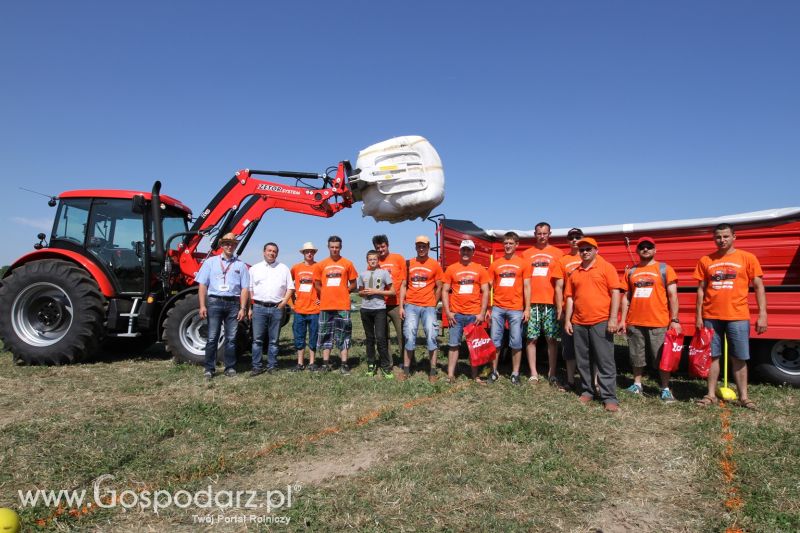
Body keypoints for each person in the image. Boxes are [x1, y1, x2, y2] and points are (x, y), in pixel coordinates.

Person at [693, 223, 767, 409]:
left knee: (739, 357)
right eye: (718, 237)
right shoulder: (706, 260)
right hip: (711, 316)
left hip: (738, 316)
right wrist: (699, 316)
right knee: (712, 357)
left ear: (734, 237)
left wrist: (762, 314)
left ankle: (744, 397)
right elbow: (701, 290)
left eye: (726, 236)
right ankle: (710, 394)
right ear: (714, 238)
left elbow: (758, 287)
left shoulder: (747, 258)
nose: (722, 240)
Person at [619, 236, 681, 402]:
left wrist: (674, 319)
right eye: (642, 247)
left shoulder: (664, 269)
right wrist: (622, 320)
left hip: (659, 322)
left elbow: (673, 296)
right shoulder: (631, 271)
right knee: (636, 356)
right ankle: (637, 384)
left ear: (655, 250)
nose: (645, 249)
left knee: (661, 358)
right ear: (637, 250)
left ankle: (665, 388)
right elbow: (626, 297)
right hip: (635, 322)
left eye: (649, 247)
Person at [564, 237, 623, 412]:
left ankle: (609, 397)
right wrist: (568, 320)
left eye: (588, 249)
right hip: (579, 322)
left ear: (596, 250)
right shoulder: (575, 272)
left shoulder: (606, 267)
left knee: (605, 360)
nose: (585, 252)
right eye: (582, 249)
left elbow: (615, 293)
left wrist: (613, 319)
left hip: (601, 321)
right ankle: (588, 391)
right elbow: (570, 299)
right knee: (583, 360)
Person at [196, 232, 250, 380]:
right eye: (226, 243)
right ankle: (209, 368)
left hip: (233, 303)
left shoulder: (241, 265)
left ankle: (230, 367)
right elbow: (202, 285)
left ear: (235, 246)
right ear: (221, 245)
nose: (229, 246)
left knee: (231, 338)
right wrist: (202, 305)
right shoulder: (210, 262)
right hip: (214, 302)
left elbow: (245, 288)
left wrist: (243, 308)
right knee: (212, 337)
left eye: (232, 244)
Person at [442, 239, 490, 383]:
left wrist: (482, 313)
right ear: (459, 251)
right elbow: (445, 291)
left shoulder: (480, 269)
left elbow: (486, 291)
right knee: (453, 345)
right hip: (456, 315)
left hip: (474, 315)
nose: (466, 252)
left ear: (473, 252)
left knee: (475, 346)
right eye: (463, 249)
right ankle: (450, 375)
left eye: (469, 250)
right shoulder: (451, 269)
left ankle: (475, 375)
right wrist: (448, 312)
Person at [522, 222, 564, 386]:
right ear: (535, 234)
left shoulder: (558, 254)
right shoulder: (526, 254)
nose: (542, 236)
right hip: (531, 304)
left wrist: (560, 305)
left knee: (551, 339)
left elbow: (561, 281)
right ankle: (533, 373)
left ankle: (552, 372)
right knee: (531, 339)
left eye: (544, 233)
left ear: (549, 234)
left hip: (551, 303)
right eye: (539, 233)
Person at [487, 232, 531, 385]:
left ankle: (515, 373)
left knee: (516, 341)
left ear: (516, 245)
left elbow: (527, 287)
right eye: (505, 243)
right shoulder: (496, 264)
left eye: (511, 243)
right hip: (498, 308)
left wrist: (527, 309)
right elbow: (488, 286)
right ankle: (493, 372)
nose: (507, 246)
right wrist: (488, 307)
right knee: (495, 341)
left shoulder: (523, 263)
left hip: (516, 309)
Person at [399, 235, 444, 382]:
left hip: (428, 307)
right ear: (415, 247)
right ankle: (406, 370)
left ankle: (432, 371)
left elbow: (439, 286)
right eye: (419, 246)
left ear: (428, 247)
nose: (421, 248)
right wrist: (401, 306)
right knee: (410, 336)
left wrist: (433, 302)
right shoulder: (409, 263)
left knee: (431, 336)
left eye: (424, 246)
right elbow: (404, 286)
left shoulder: (434, 264)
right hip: (411, 305)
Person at [313, 236, 358, 374]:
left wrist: (345, 291)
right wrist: (325, 292)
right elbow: (316, 284)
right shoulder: (320, 265)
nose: (334, 249)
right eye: (332, 247)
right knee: (325, 334)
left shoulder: (347, 263)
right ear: (328, 247)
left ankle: (344, 364)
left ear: (341, 247)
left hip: (342, 305)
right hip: (326, 306)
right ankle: (325, 364)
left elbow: (354, 283)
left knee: (343, 333)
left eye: (337, 247)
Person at [248, 242, 294, 376]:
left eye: (274, 251)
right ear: (264, 252)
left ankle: (272, 365)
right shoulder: (255, 269)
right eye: (269, 251)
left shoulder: (283, 268)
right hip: (259, 307)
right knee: (257, 340)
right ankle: (256, 366)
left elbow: (290, 288)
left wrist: (284, 302)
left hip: (276, 308)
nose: (271, 253)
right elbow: (249, 288)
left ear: (277, 254)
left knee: (274, 340)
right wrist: (252, 305)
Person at [357, 250, 395, 378]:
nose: (372, 261)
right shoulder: (362, 274)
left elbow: (392, 291)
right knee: (369, 339)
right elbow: (360, 292)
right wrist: (364, 293)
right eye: (370, 259)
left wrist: (376, 291)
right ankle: (371, 364)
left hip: (379, 309)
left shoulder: (384, 273)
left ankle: (385, 366)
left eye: (374, 259)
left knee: (381, 338)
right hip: (366, 309)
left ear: (378, 260)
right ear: (367, 261)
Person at [556, 227, 584, 390]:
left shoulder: (592, 258)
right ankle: (570, 381)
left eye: (577, 237)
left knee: (589, 348)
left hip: (587, 311)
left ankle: (592, 382)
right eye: (571, 237)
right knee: (568, 347)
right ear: (567, 241)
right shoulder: (563, 260)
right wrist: (560, 308)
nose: (574, 240)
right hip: (569, 311)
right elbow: (559, 287)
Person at [372, 234, 407, 365]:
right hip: (380, 305)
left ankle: (406, 361)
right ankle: (388, 362)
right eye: (378, 248)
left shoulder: (398, 258)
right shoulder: (374, 262)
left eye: (382, 246)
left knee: (402, 334)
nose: (381, 250)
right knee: (383, 335)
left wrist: (403, 304)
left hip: (397, 303)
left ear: (387, 245)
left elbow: (404, 282)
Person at [290, 242, 321, 371]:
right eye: (307, 251)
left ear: (314, 253)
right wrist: (291, 304)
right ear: (303, 253)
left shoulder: (319, 267)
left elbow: (325, 286)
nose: (309, 253)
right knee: (299, 336)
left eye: (311, 251)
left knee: (313, 336)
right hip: (300, 309)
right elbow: (288, 286)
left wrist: (322, 300)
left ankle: (312, 363)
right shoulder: (296, 268)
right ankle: (300, 363)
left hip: (314, 310)